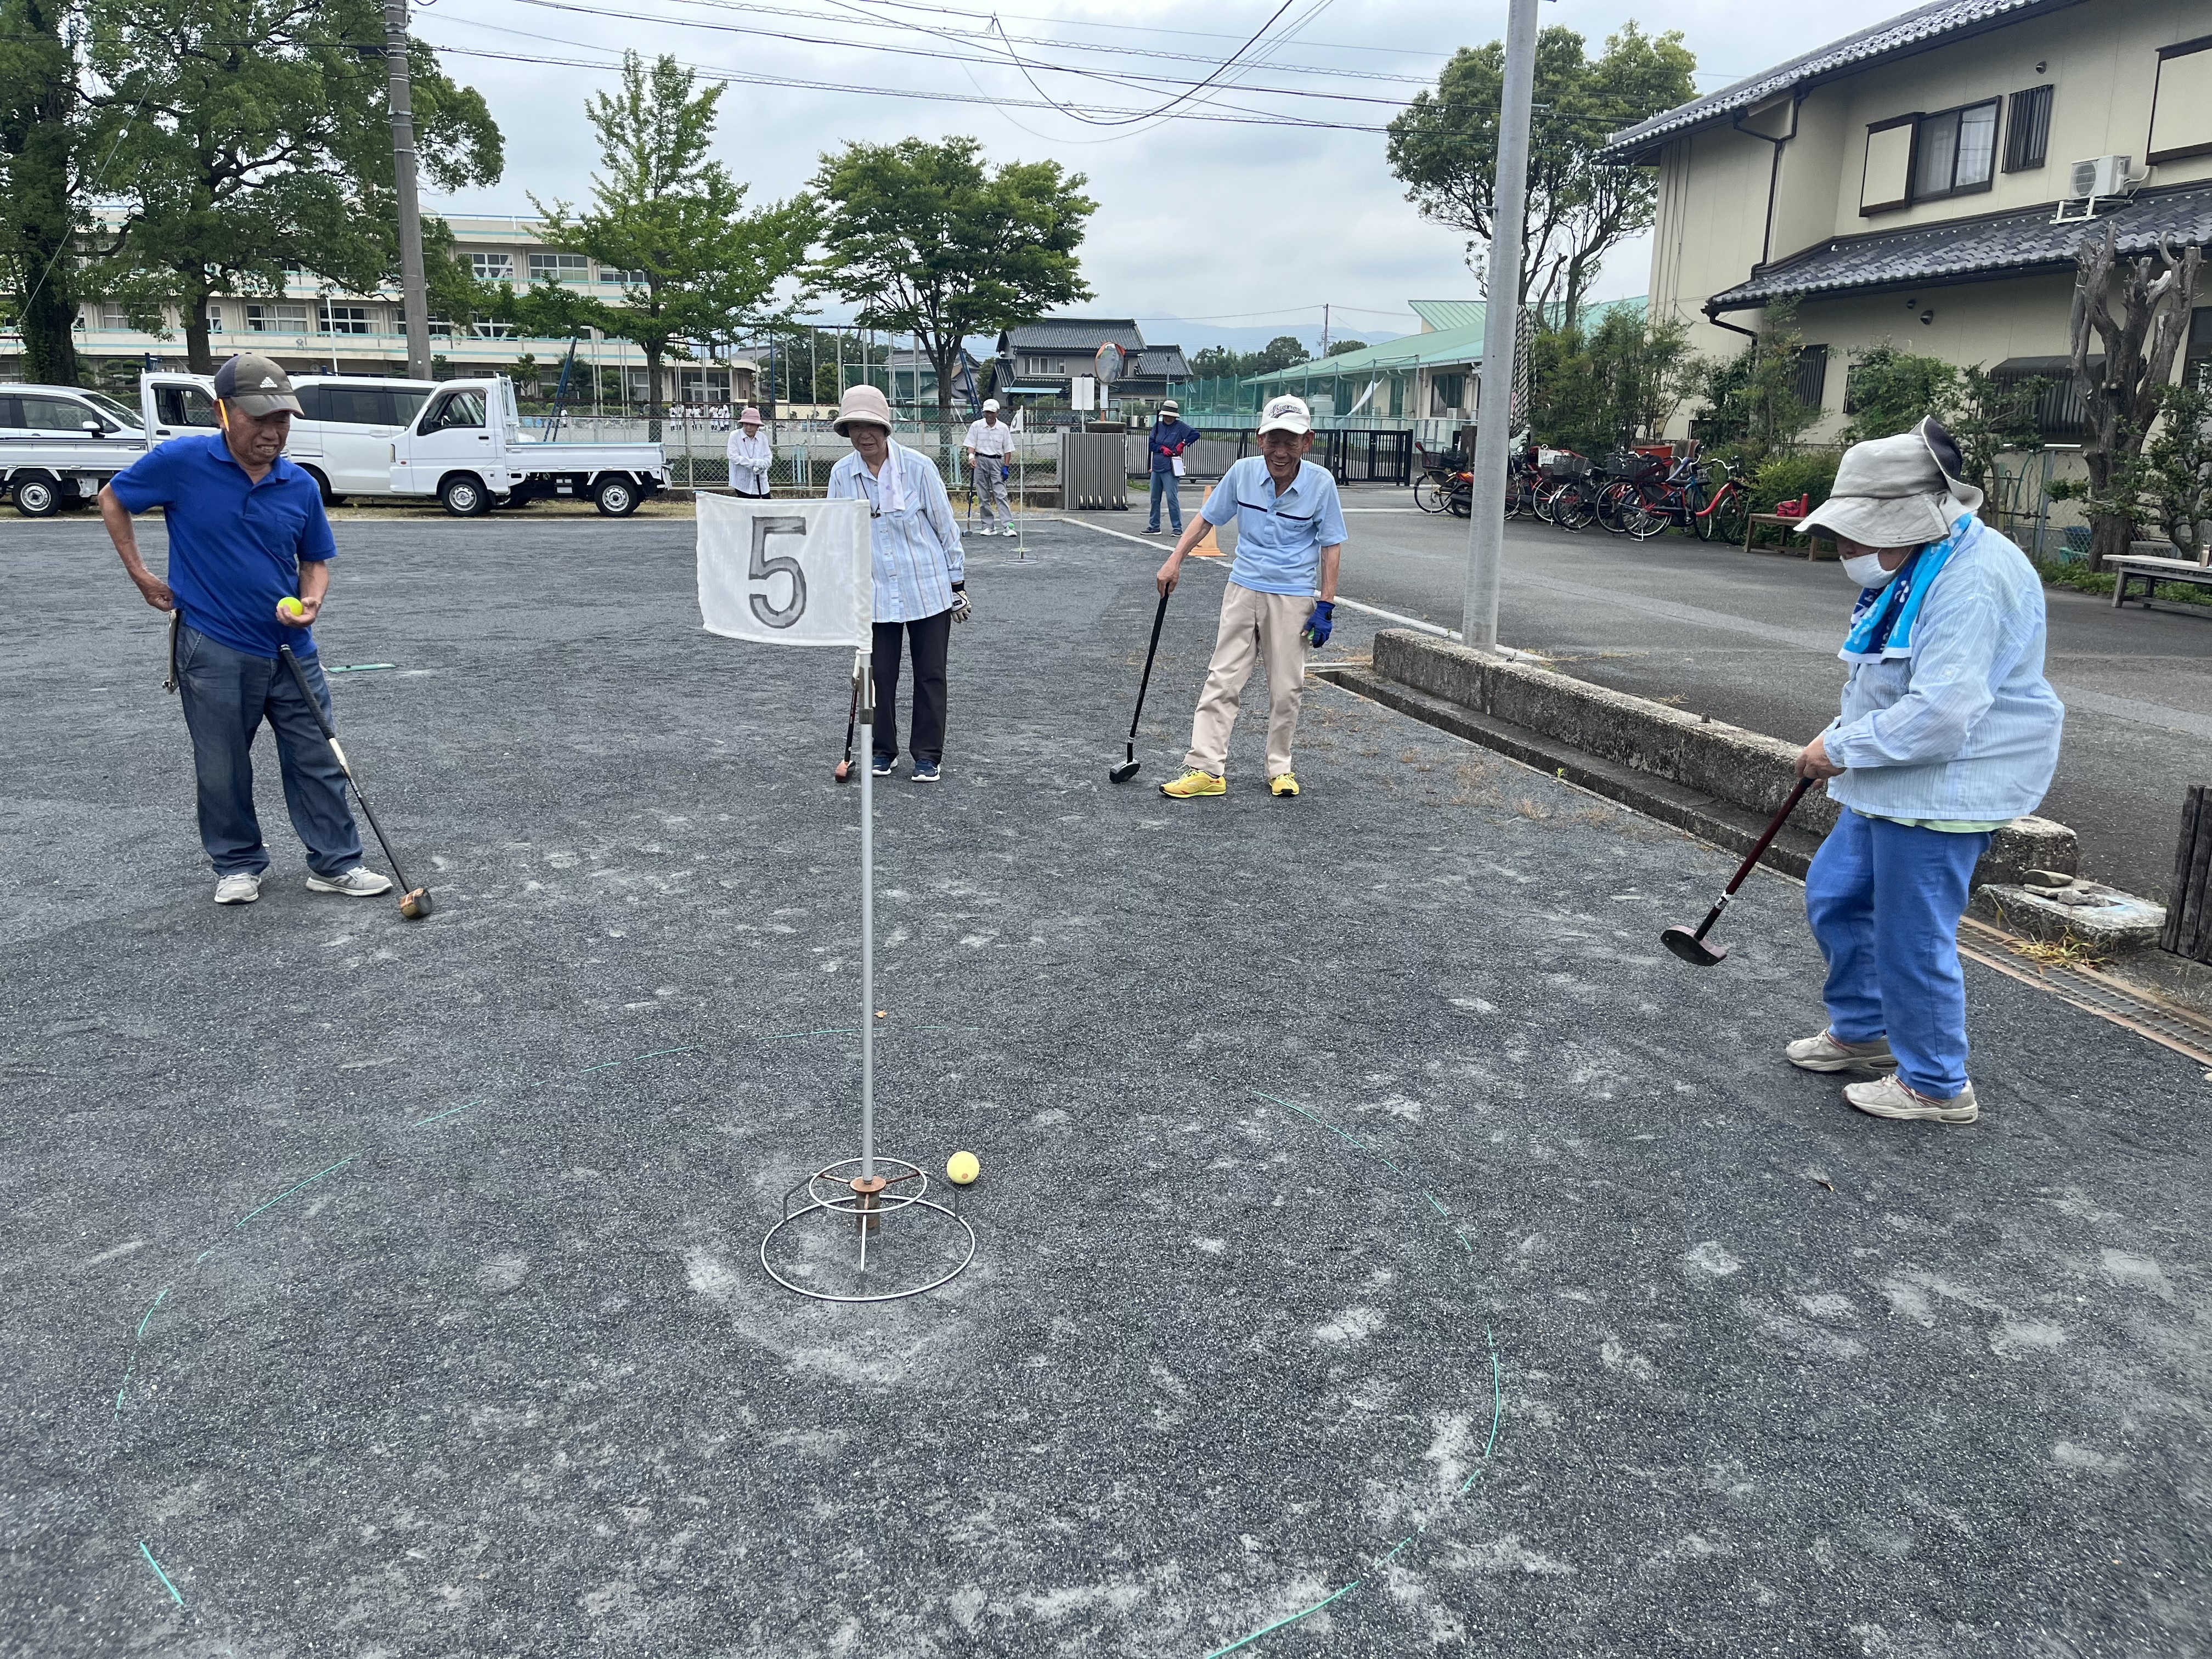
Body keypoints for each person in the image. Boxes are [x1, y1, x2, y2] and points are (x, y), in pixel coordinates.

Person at [1785, 416, 2064, 1125]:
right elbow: (1886, 681)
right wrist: (1839, 736)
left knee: (1912, 935)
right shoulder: (1919, 561)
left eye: (1857, 530)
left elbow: (1943, 712)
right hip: (1891, 774)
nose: (1845, 546)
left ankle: (1938, 1085)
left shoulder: (1973, 580)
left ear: (1914, 516)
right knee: (1838, 894)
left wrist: (1841, 749)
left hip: (1949, 784)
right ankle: (1866, 1032)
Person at [98, 352, 393, 906]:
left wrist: (311, 603)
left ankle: (334, 863)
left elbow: (316, 561)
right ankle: (237, 864)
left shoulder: (300, 484)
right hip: (211, 645)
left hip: (290, 649)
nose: (274, 430)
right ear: (223, 412)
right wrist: (140, 575)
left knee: (318, 758)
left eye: (282, 418)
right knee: (221, 764)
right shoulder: (182, 463)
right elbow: (112, 498)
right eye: (261, 418)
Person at [1152, 393, 1345, 801]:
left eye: (1291, 441)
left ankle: (1280, 767)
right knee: (1223, 677)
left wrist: (1326, 604)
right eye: (1273, 439)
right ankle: (1206, 768)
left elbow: (1331, 546)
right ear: (1260, 438)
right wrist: (1174, 561)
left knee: (1286, 687)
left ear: (1307, 442)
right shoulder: (1242, 474)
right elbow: (1207, 519)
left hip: (1293, 596)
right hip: (1243, 587)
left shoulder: (1321, 483)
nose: (1281, 450)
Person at [827, 385, 969, 782]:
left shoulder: (920, 468)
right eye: (855, 427)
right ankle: (882, 751)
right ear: (847, 432)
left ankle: (927, 754)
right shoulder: (842, 475)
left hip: (927, 586)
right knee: (877, 676)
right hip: (873, 593)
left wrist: (957, 583)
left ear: (886, 428)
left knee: (931, 674)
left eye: (871, 425)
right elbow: (838, 537)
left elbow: (945, 527)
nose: (864, 434)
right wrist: (842, 588)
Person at [1144, 398, 1202, 535]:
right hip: (1157, 465)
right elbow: (1151, 444)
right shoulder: (1157, 426)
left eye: (1171, 416)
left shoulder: (1180, 426)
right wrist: (1161, 448)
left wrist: (1183, 443)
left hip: (1171, 466)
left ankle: (1177, 527)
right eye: (1166, 415)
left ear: (1175, 416)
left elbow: (1195, 434)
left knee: (1171, 497)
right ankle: (1154, 526)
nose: (1168, 418)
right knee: (1154, 498)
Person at [962, 398, 1015, 535]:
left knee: (1001, 494)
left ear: (997, 413)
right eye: (987, 412)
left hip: (997, 462)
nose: (989, 415)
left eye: (992, 412)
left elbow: (1008, 449)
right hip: (980, 461)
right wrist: (971, 458)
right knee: (982, 495)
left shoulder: (1003, 428)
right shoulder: (976, 426)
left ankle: (1008, 526)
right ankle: (988, 526)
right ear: (984, 412)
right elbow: (971, 445)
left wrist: (1006, 466)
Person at [727, 405, 772, 499]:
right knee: (746, 511)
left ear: (758, 426)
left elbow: (768, 457)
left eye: (752, 424)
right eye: (746, 424)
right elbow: (733, 457)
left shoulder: (763, 438)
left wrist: (764, 465)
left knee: (765, 509)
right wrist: (754, 463)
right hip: (742, 484)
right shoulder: (735, 436)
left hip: (761, 483)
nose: (748, 427)